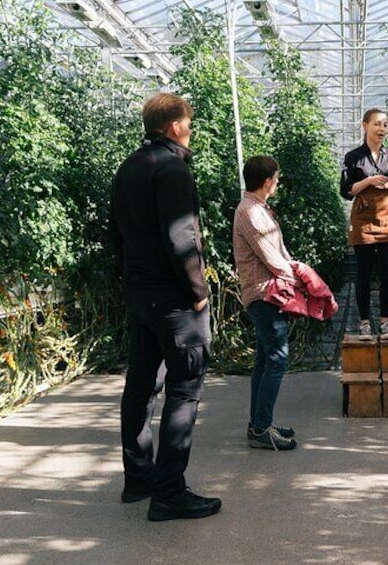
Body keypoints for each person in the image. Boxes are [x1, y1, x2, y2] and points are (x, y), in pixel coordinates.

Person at [111, 93, 221, 521]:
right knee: (184, 389)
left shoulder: (128, 168)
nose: (190, 129)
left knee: (140, 386)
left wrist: (132, 280)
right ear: (174, 125)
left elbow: (116, 235)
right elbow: (183, 238)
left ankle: (138, 479)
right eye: (188, 122)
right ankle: (170, 493)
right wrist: (198, 291)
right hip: (174, 301)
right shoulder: (172, 168)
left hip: (141, 296)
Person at [233, 155, 299, 452]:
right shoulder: (250, 212)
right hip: (263, 294)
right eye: (276, 177)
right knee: (277, 359)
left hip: (266, 292)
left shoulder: (257, 209)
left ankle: (259, 423)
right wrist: (299, 278)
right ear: (267, 181)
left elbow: (277, 250)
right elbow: (269, 256)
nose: (278, 181)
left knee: (264, 360)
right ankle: (261, 428)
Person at [340, 108, 388, 340]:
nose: (382, 129)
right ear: (365, 125)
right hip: (363, 217)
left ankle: (385, 322)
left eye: (385, 125)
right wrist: (368, 180)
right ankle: (365, 323)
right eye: (377, 124)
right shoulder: (353, 157)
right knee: (364, 273)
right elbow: (346, 191)